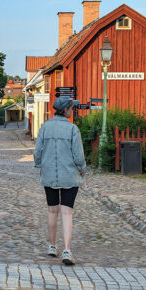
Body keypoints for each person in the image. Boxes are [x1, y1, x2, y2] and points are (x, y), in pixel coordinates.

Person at [33, 95, 86, 266]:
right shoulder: (72, 129)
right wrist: (82, 167)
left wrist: (40, 164)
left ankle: (52, 246)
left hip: (49, 175)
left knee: (52, 211)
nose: (73, 110)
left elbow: (37, 152)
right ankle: (67, 250)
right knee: (66, 212)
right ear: (65, 110)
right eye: (72, 108)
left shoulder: (45, 127)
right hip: (69, 175)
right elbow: (78, 155)